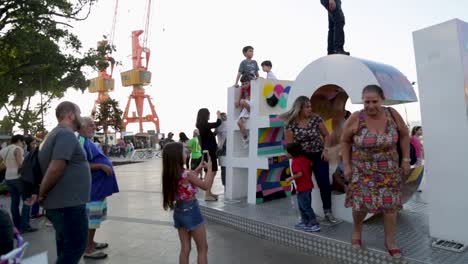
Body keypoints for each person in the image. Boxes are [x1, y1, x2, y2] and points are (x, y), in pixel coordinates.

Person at [341, 85, 410, 258]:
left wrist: (406, 159)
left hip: (389, 171)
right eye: (367, 102)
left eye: (374, 101)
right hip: (362, 171)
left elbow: (404, 135)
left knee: (390, 207)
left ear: (382, 99)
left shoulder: (392, 115)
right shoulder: (356, 117)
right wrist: (347, 165)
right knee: (360, 206)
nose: (370, 105)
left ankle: (390, 242)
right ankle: (357, 231)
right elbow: (345, 141)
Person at [38, 101, 91, 264]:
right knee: (75, 247)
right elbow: (56, 166)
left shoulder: (54, 134)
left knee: (65, 247)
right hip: (68, 206)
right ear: (71, 115)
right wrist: (42, 194)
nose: (81, 117)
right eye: (79, 113)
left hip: (63, 205)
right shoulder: (65, 134)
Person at [281, 96, 338, 224]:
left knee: (324, 183)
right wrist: (294, 159)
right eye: (307, 106)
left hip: (319, 155)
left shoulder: (316, 118)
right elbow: (290, 146)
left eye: (310, 106)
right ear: (299, 108)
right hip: (302, 159)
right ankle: (307, 215)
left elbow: (326, 135)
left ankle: (328, 212)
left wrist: (326, 149)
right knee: (304, 187)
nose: (310, 109)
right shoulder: (291, 125)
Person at [162, 142, 215, 264]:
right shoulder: (187, 173)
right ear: (177, 156)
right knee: (203, 248)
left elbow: (185, 182)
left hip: (179, 212)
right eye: (184, 152)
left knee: (185, 249)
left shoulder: (170, 173)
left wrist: (197, 169)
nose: (187, 154)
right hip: (191, 211)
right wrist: (210, 169)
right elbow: (206, 186)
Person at [79, 117, 119, 259]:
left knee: (95, 218)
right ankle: (88, 249)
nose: (94, 127)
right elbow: (80, 165)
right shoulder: (81, 141)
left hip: (98, 188)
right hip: (93, 189)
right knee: (92, 219)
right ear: (81, 127)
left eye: (94, 125)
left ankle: (91, 242)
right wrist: (102, 166)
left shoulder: (88, 141)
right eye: (91, 125)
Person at [0, 134, 37, 233]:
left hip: (8, 178)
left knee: (14, 202)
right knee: (27, 200)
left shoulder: (3, 150)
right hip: (18, 178)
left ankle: (17, 225)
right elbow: (20, 165)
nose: (23, 145)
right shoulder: (17, 149)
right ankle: (25, 225)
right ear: (19, 141)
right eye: (23, 142)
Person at [285, 142, 320, 232]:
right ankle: (305, 222)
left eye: (287, 152)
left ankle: (314, 224)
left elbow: (299, 174)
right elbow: (310, 164)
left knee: (306, 206)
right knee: (302, 206)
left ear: (292, 153)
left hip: (303, 187)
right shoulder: (303, 159)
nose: (286, 154)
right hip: (306, 186)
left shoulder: (295, 162)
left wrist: (290, 178)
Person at [196, 108, 222, 201]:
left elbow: (207, 137)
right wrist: (218, 114)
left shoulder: (202, 126)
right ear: (205, 115)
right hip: (209, 153)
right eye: (208, 113)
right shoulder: (203, 125)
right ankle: (207, 195)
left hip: (209, 152)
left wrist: (214, 133)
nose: (209, 115)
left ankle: (209, 192)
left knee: (211, 172)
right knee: (211, 172)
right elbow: (218, 123)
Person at [236, 75, 252, 149]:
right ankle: (245, 138)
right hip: (245, 108)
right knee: (239, 123)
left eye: (246, 83)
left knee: (242, 101)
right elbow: (240, 95)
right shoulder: (243, 89)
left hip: (251, 106)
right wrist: (237, 101)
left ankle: (250, 111)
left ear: (250, 82)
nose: (244, 85)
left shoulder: (253, 87)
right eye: (242, 84)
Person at [216, 113, 228, 187]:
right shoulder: (219, 126)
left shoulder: (229, 124)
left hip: (227, 147)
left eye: (225, 116)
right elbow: (216, 133)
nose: (224, 117)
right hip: (222, 148)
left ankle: (226, 183)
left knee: (226, 167)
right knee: (223, 168)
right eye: (222, 116)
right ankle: (224, 184)